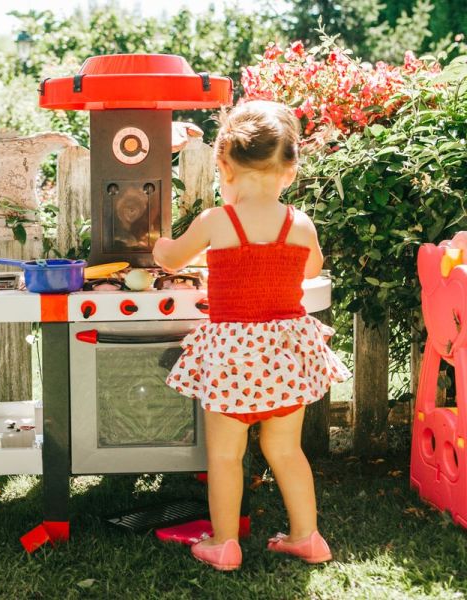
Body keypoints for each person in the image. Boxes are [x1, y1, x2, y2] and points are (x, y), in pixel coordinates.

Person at [153, 100, 350, 571]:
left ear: (224, 165)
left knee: (224, 453)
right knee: (285, 449)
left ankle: (224, 544)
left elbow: (171, 259)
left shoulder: (217, 222)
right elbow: (312, 267)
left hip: (233, 355)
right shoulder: (299, 224)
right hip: (285, 353)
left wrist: (159, 243)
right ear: (290, 169)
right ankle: (306, 537)